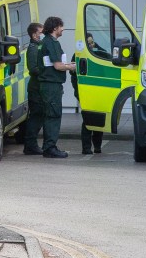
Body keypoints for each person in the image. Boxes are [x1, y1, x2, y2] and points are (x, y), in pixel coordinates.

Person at [38, 16, 76, 159]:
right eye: (61, 26)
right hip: (51, 86)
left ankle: (48, 146)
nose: (63, 29)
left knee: (49, 115)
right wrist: (72, 67)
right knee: (53, 116)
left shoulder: (44, 42)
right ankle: (50, 148)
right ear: (55, 28)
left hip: (47, 85)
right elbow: (58, 65)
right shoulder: (52, 43)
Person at [70, 57, 103, 155]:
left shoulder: (97, 52)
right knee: (88, 119)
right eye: (90, 42)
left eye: (92, 42)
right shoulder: (78, 55)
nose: (92, 44)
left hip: (97, 92)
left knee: (98, 118)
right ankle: (86, 148)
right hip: (85, 93)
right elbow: (73, 75)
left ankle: (97, 146)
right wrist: (80, 94)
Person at [21, 22, 45, 155]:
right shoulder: (33, 48)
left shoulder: (38, 46)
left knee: (39, 116)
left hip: (39, 88)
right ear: (35, 34)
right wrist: (48, 72)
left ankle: (31, 145)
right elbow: (34, 69)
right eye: (41, 32)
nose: (43, 35)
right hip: (36, 89)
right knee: (35, 117)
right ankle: (30, 145)